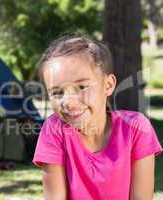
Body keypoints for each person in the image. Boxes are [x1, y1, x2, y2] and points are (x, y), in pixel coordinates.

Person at [33, 35, 163, 200]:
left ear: (108, 85)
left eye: (81, 87)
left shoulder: (136, 128)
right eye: (57, 92)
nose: (69, 102)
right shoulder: (54, 130)